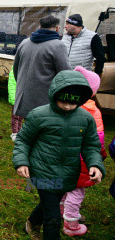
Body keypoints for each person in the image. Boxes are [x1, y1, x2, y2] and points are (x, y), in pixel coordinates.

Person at [13, 70, 105, 240]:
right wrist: (21, 162)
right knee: (53, 217)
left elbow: (91, 145)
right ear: (55, 94)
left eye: (73, 103)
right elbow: (24, 140)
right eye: (64, 101)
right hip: (43, 171)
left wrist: (95, 164)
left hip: (68, 174)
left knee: (51, 202)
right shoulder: (39, 115)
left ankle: (32, 222)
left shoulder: (86, 119)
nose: (68, 106)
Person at [60, 66, 106, 236]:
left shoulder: (65, 105)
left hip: (63, 155)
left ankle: (61, 211)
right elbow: (97, 139)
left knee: (65, 186)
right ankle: (71, 224)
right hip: (82, 159)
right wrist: (98, 157)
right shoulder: (93, 111)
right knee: (77, 191)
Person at [13, 15, 71, 119]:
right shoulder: (58, 45)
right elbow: (65, 74)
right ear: (57, 28)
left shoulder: (24, 42)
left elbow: (16, 69)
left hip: (24, 96)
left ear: (39, 27)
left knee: (29, 127)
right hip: (44, 99)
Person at [8, 68, 23, 142]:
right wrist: (14, 99)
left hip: (22, 98)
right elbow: (12, 86)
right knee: (16, 116)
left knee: (21, 116)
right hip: (16, 98)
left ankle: (19, 131)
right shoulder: (14, 71)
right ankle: (14, 132)